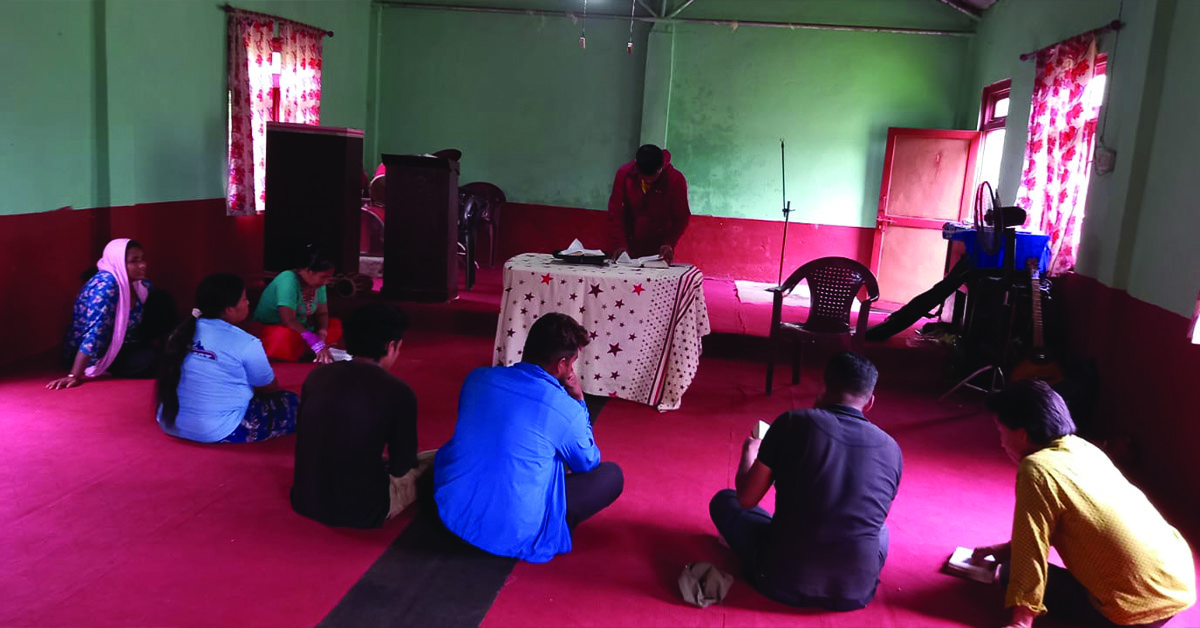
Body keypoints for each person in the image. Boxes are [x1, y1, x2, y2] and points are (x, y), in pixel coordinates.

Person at [972, 380, 1195, 628]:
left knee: (1009, 572)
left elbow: (1032, 546)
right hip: (1178, 586)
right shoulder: (1083, 448)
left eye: (1001, 431)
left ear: (1022, 433)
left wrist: (1021, 621)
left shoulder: (1036, 469)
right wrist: (1004, 548)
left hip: (1134, 611)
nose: (1001, 441)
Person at [709, 351, 902, 611]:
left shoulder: (791, 423)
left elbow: (746, 498)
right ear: (870, 403)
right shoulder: (892, 448)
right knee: (881, 531)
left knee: (725, 501)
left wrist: (750, 451)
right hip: (856, 592)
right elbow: (877, 516)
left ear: (822, 388)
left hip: (777, 580)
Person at [434, 312, 624, 562]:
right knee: (611, 475)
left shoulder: (477, 378)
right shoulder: (565, 408)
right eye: (572, 362)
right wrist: (578, 400)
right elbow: (587, 462)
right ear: (561, 365)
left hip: (453, 512)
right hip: (515, 532)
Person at [291, 302, 428, 529]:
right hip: (364, 510)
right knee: (437, 460)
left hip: (305, 498)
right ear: (391, 346)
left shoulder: (317, 377)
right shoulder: (398, 392)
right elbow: (401, 466)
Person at [156, 273, 299, 443]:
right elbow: (269, 388)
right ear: (229, 309)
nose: (248, 303)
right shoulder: (247, 342)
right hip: (219, 428)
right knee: (291, 402)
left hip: (170, 423)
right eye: (244, 299)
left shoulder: (178, 334)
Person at [48, 238, 176, 390]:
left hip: (128, 342)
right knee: (159, 363)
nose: (142, 265)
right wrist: (74, 375)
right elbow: (96, 333)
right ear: (118, 262)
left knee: (162, 299)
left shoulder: (141, 284)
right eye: (134, 261)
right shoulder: (105, 287)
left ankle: (170, 349)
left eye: (142, 259)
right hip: (99, 352)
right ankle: (109, 366)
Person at [252, 246, 342, 363]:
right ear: (309, 271)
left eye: (329, 277)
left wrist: (322, 335)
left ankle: (315, 350)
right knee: (284, 337)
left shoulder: (319, 284)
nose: (326, 281)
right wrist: (314, 341)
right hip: (276, 329)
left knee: (335, 324)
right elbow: (288, 321)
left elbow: (322, 313)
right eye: (324, 277)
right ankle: (313, 350)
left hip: (301, 329)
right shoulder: (288, 280)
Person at [607, 143, 690, 263]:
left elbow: (681, 217)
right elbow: (615, 212)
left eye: (653, 177)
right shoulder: (624, 174)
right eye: (644, 178)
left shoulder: (675, 180)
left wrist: (669, 243)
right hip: (628, 244)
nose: (648, 181)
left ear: (662, 167)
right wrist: (620, 243)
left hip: (660, 247)